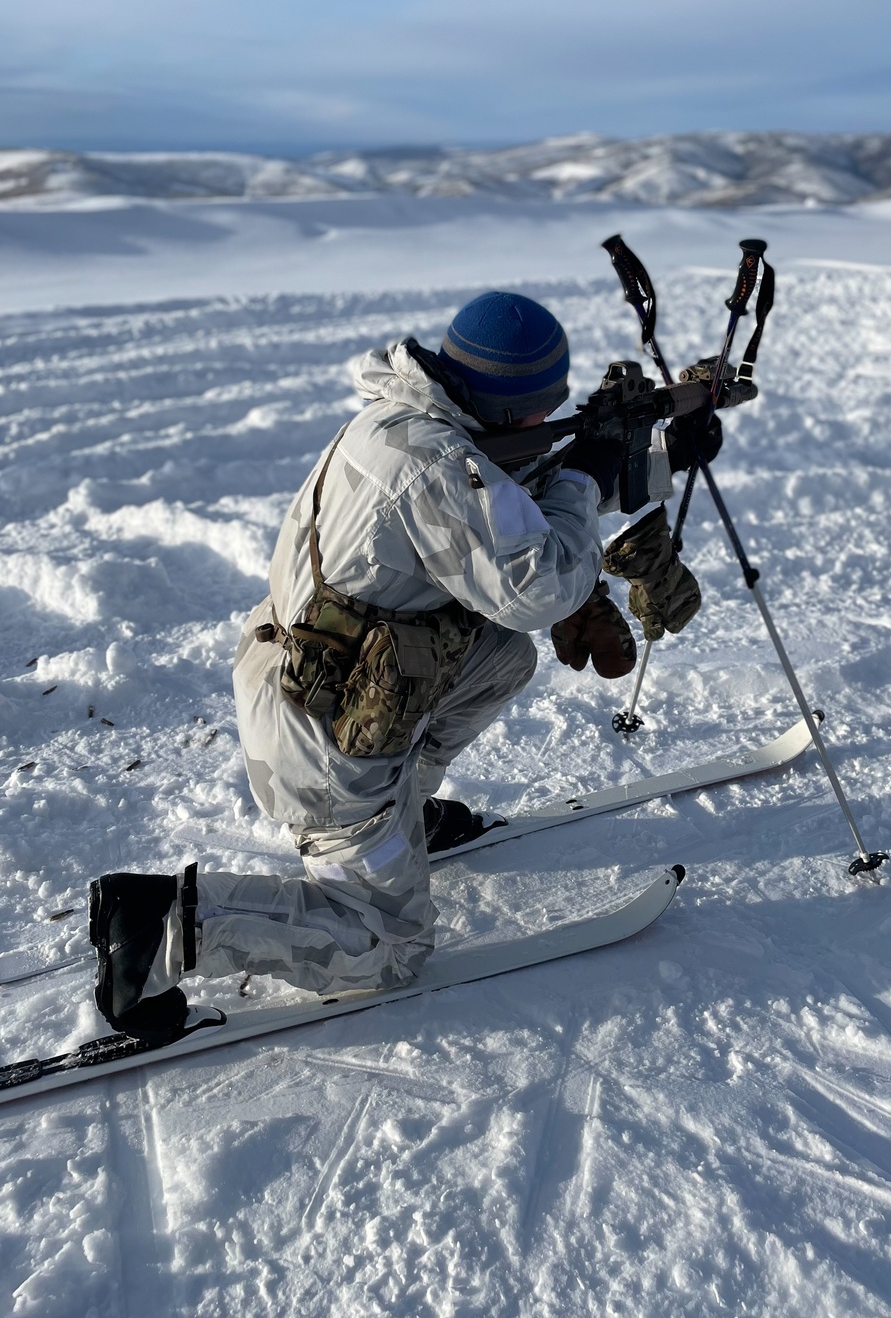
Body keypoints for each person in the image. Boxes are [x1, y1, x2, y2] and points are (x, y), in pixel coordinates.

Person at [89, 292, 707, 1044]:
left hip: (326, 681)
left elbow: (513, 505)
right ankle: (165, 925)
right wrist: (586, 472)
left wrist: (657, 457)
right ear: (511, 410)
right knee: (389, 948)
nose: (543, 428)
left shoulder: (420, 420)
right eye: (539, 414)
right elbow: (539, 580)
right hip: (322, 735)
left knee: (501, 658)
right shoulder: (433, 464)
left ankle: (401, 815)